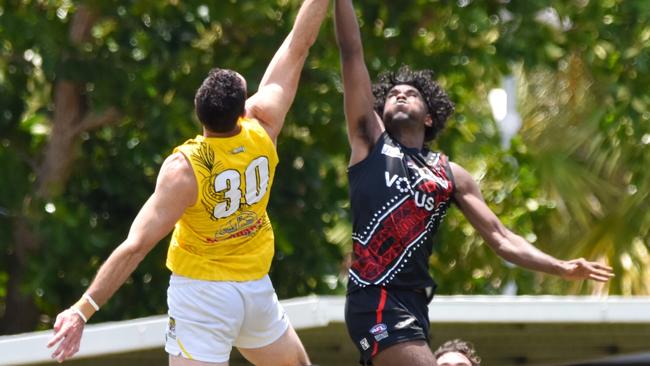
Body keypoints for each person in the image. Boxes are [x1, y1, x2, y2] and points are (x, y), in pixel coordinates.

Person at [333, 1, 615, 365]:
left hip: (415, 304)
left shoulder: (450, 174)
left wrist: (558, 267)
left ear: (430, 117)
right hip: (376, 297)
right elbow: (351, 52)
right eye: (391, 94)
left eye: (411, 93)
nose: (400, 95)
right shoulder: (370, 140)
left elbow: (501, 237)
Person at [47, 1, 329, 364]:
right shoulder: (264, 126)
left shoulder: (186, 168)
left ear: (199, 111)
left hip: (202, 296)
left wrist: (82, 310)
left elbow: (136, 245)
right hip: (255, 289)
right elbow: (297, 45)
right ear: (243, 109)